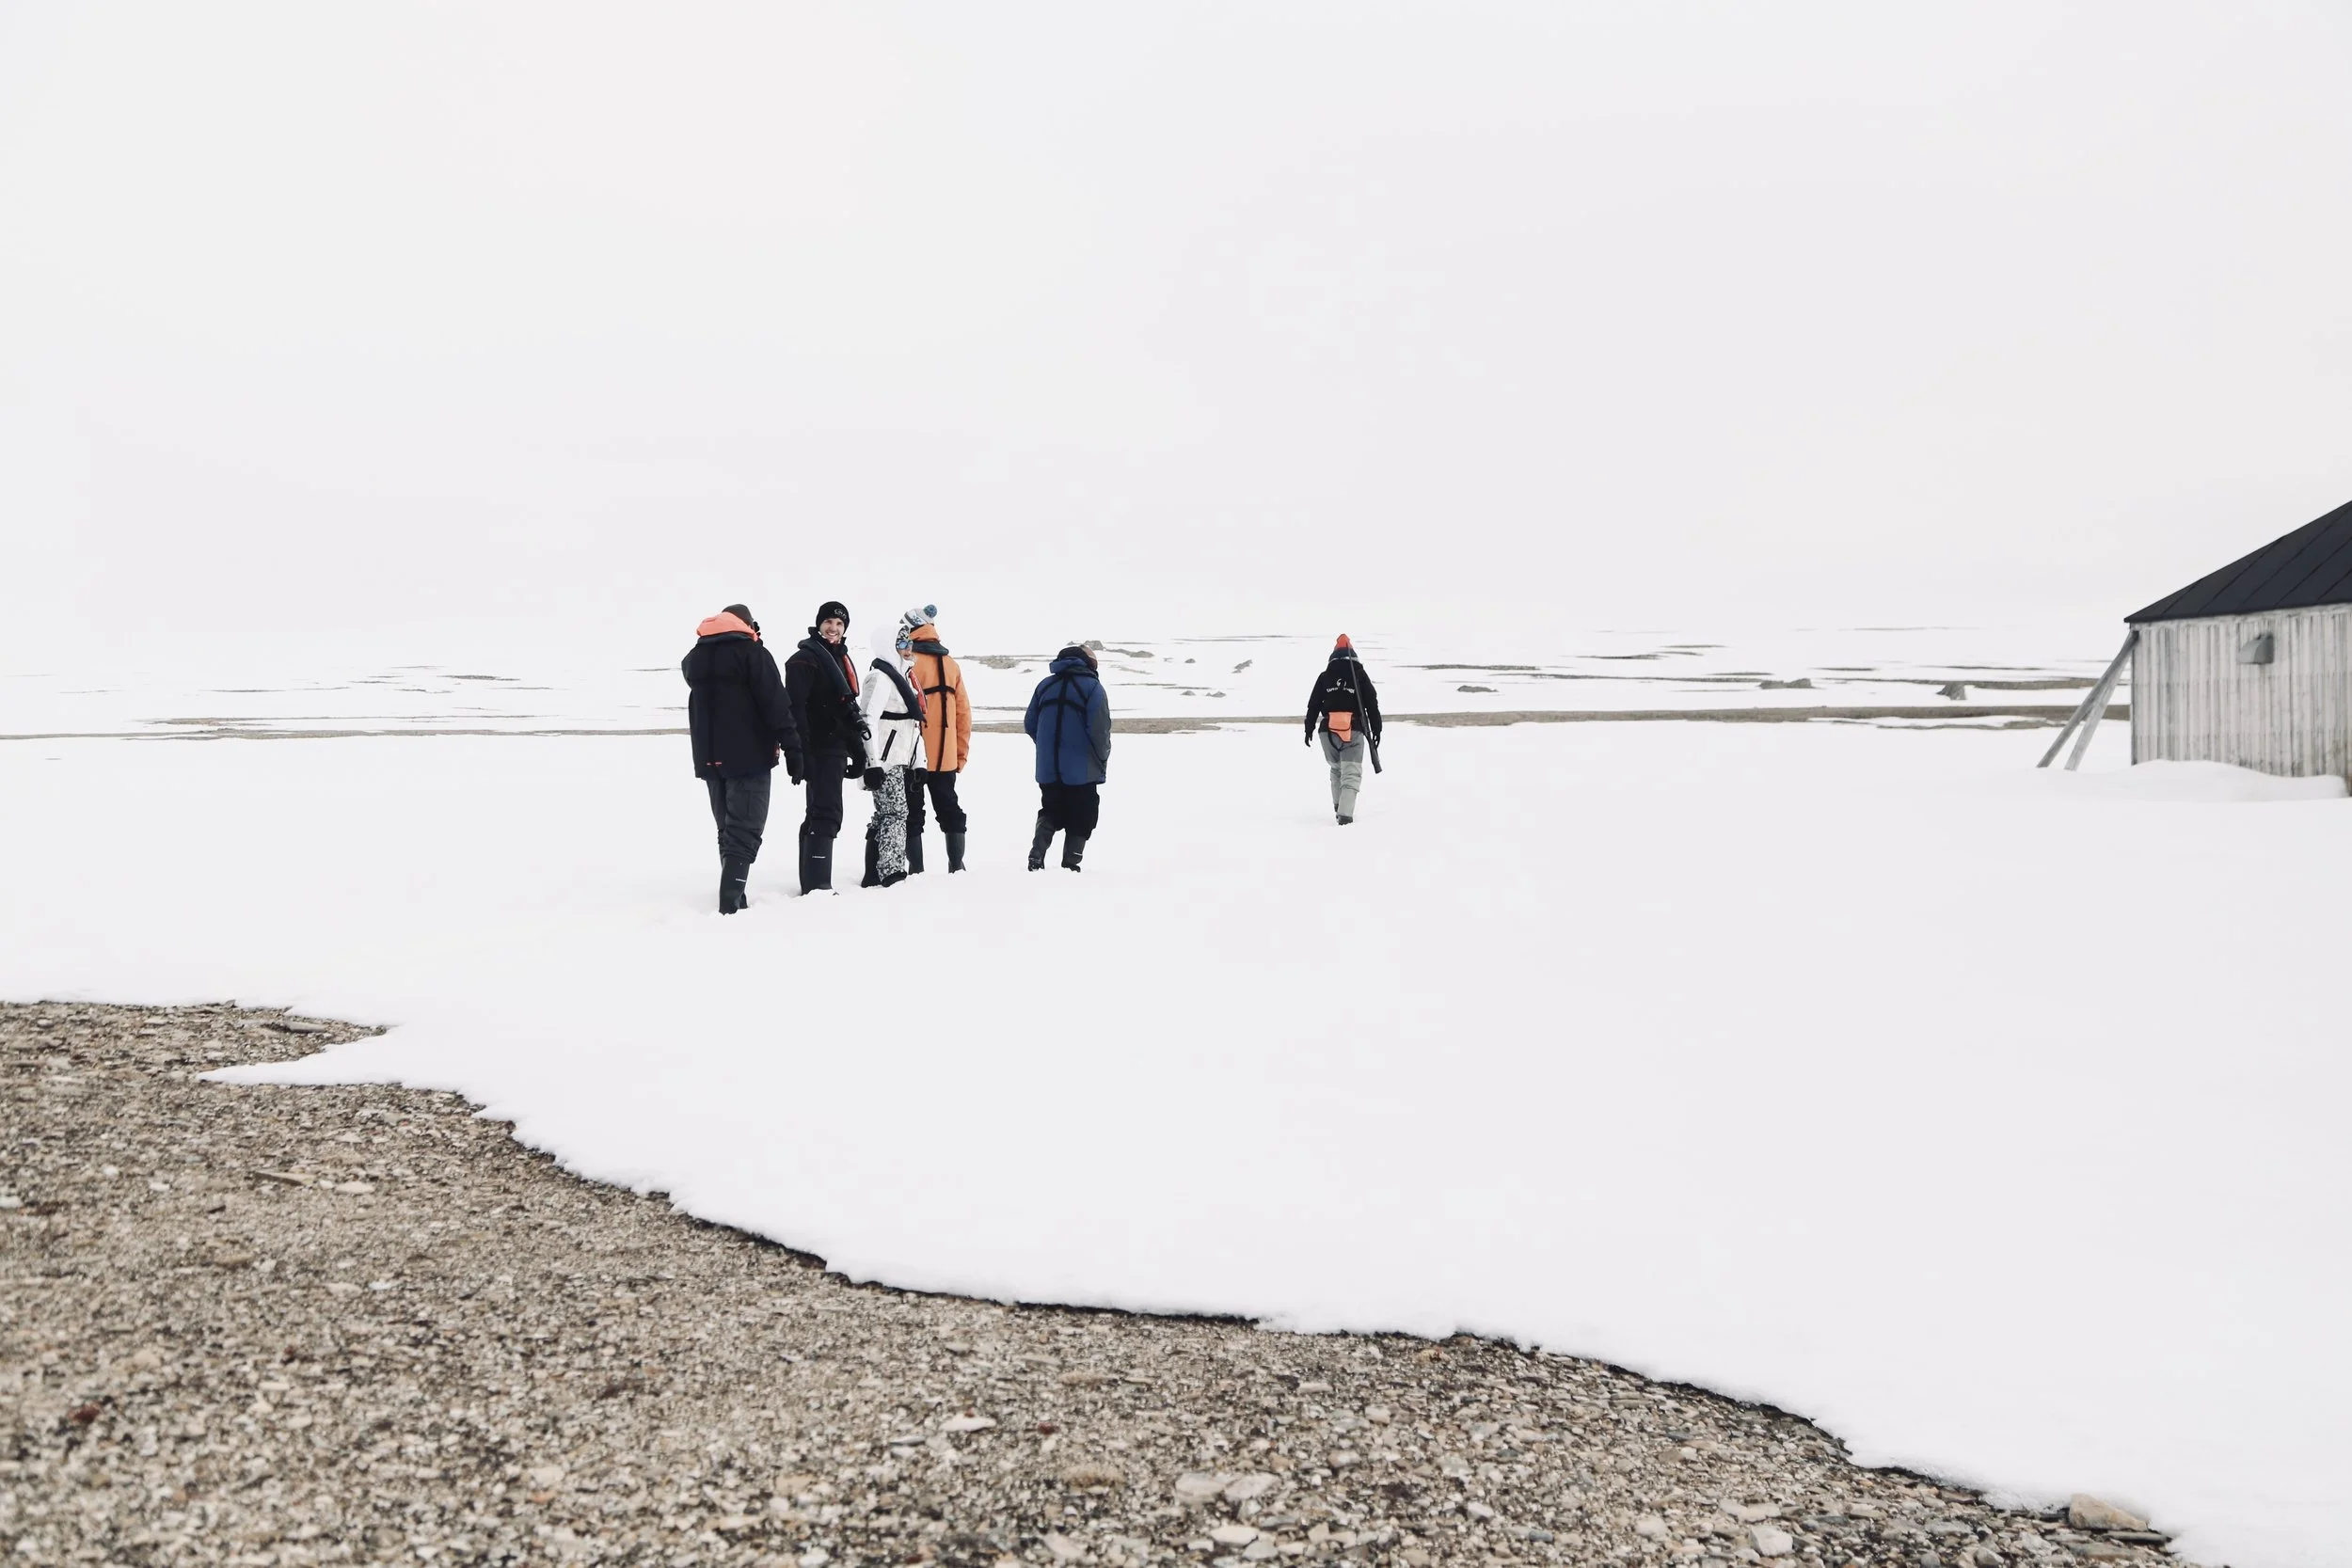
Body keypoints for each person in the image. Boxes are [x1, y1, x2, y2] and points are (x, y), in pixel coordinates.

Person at [681, 604, 803, 913]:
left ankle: (735, 894)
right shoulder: (752, 653)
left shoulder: (698, 657)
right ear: (748, 624)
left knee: (727, 828)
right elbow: (776, 703)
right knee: (745, 829)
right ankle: (730, 903)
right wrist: (793, 747)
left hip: (710, 759)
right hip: (748, 755)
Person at [784, 601, 871, 894]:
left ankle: (812, 882)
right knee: (826, 812)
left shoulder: (839, 660)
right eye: (829, 622)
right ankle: (818, 885)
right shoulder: (804, 660)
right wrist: (799, 751)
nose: (833, 628)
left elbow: (845, 707)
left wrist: (857, 750)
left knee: (821, 811)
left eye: (839, 624)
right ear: (818, 624)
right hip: (817, 745)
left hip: (835, 745)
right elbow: (794, 709)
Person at [1023, 640, 1111, 872]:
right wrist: (1102, 758)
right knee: (1083, 812)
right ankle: (1070, 864)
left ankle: (1037, 854)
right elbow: (1099, 730)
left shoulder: (1044, 686)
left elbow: (1030, 723)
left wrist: (1047, 746)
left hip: (1048, 766)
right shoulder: (1092, 688)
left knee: (1051, 808)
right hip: (1082, 768)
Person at [899, 605, 973, 874]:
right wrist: (959, 755)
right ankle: (957, 865)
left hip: (911, 756)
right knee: (950, 810)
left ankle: (915, 869)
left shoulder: (906, 661)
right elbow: (964, 715)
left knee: (911, 814)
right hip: (945, 757)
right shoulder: (951, 665)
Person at [855, 624, 927, 888]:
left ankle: (873, 872)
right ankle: (891, 871)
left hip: (900, 758)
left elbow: (912, 724)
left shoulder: (905, 676)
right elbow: (867, 721)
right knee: (896, 813)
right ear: (888, 646)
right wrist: (872, 763)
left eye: (909, 643)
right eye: (901, 644)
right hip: (884, 760)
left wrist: (920, 763)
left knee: (885, 814)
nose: (908, 648)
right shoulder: (880, 677)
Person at [1303, 633, 1382, 825]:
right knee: (1351, 773)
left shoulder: (1324, 677)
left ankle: (1339, 808)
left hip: (1326, 732)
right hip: (1352, 730)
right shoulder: (1360, 675)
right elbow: (1372, 704)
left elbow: (1313, 704)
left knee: (1337, 769)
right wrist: (1377, 729)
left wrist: (1308, 729)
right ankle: (1345, 818)